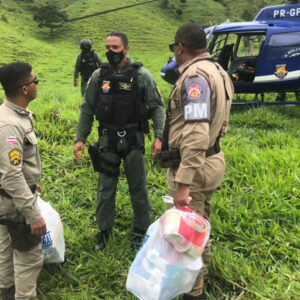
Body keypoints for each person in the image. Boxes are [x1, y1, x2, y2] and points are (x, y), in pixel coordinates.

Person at [158, 24, 234, 300]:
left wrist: (183, 183)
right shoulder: (218, 71)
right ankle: (202, 274)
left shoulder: (195, 77)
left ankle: (194, 293)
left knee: (188, 236)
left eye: (174, 49)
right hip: (211, 161)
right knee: (201, 224)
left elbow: (196, 131)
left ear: (180, 47)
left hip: (195, 167)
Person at [74, 31, 165, 251]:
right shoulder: (98, 76)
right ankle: (104, 232)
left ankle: (141, 231)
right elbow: (87, 108)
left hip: (134, 138)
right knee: (106, 187)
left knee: (138, 187)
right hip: (107, 139)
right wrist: (80, 139)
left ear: (126, 48)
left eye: (115, 47)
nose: (110, 51)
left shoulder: (141, 75)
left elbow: (156, 107)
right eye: (107, 47)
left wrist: (159, 136)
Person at [0, 62, 47, 300]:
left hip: (7, 198)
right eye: (35, 81)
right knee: (29, 258)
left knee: (5, 253)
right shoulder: (11, 124)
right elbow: (10, 174)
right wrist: (32, 214)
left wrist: (31, 182)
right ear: (25, 89)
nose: (37, 84)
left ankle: (6, 292)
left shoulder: (9, 115)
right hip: (15, 203)